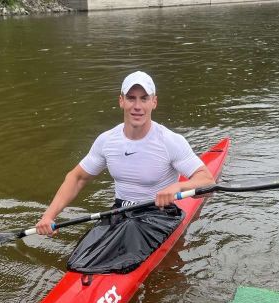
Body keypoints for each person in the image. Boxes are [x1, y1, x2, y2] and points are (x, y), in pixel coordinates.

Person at [36, 71, 215, 236]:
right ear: (121, 101)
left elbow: (208, 183)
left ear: (154, 102)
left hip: (159, 214)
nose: (137, 106)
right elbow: (77, 178)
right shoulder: (106, 141)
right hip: (120, 213)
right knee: (80, 259)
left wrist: (178, 187)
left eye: (144, 99)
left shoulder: (170, 141)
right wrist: (48, 216)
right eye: (131, 98)